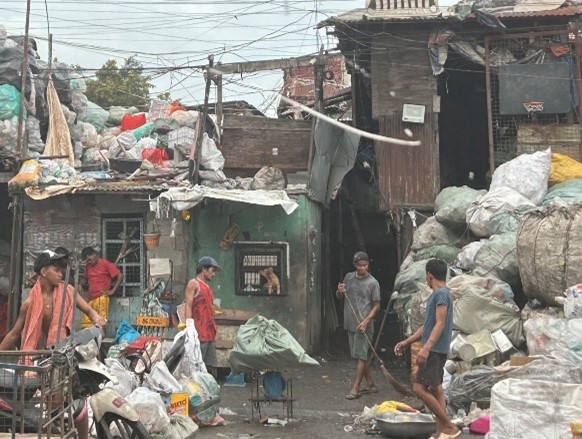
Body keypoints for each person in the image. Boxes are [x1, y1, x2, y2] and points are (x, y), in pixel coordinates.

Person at [0, 250, 101, 439]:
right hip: (38, 356)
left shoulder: (67, 292)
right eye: (57, 270)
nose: (61, 274)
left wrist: (96, 317)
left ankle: (61, 427)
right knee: (45, 402)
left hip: (61, 352)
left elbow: (88, 309)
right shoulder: (29, 302)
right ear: (44, 271)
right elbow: (14, 333)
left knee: (62, 398)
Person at [394, 259, 460, 439]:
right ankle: (441, 432)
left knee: (418, 388)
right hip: (436, 348)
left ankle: (448, 426)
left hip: (435, 349)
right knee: (436, 388)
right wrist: (406, 342)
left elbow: (440, 324)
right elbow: (428, 326)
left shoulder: (441, 295)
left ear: (429, 275)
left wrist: (426, 348)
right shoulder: (438, 295)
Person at [336, 251, 381, 400]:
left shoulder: (373, 283)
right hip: (351, 323)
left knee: (361, 357)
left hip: (364, 325)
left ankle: (355, 388)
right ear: (355, 265)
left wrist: (366, 321)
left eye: (365, 265)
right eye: (360, 265)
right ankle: (371, 384)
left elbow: (377, 305)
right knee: (358, 356)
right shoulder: (348, 278)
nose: (363, 268)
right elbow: (340, 296)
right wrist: (339, 291)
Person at [184, 256, 221, 369]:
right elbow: (188, 305)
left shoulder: (207, 287)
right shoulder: (193, 283)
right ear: (204, 269)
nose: (213, 274)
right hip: (198, 334)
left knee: (209, 367)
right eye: (212, 270)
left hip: (209, 332)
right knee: (197, 367)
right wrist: (189, 327)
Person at [80, 247, 123, 331]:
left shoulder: (105, 263)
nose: (89, 262)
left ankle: (101, 341)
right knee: (86, 324)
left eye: (89, 259)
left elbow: (120, 276)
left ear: (94, 254)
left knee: (100, 323)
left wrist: (112, 291)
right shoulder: (88, 266)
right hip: (91, 298)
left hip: (101, 297)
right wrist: (80, 284)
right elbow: (85, 279)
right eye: (87, 261)